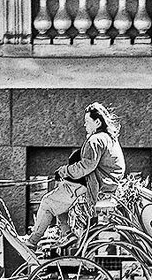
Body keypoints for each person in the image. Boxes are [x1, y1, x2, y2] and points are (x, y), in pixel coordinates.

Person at [23, 102, 125, 249]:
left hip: (94, 186)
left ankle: (32, 241)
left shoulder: (95, 140)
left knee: (47, 202)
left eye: (87, 122)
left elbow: (86, 166)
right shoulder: (109, 138)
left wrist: (64, 171)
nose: (85, 126)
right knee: (58, 198)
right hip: (104, 185)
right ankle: (67, 234)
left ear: (97, 122)